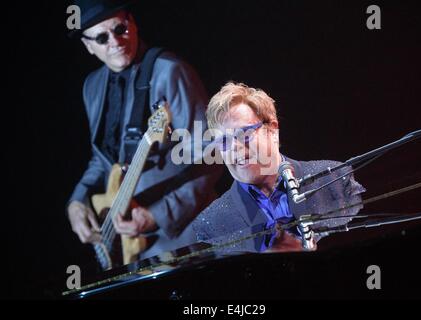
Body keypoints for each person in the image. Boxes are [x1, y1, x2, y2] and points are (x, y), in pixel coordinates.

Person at [66, 0, 221, 262]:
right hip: (131, 247)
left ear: (133, 23)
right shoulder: (91, 86)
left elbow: (211, 156)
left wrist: (158, 214)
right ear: (88, 46)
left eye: (120, 29)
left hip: (186, 237)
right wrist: (77, 200)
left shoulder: (171, 71)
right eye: (102, 38)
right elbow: (103, 158)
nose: (115, 41)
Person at [190, 82, 365, 253]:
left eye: (244, 134)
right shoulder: (210, 227)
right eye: (224, 141)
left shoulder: (337, 181)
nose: (235, 147)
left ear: (272, 130)